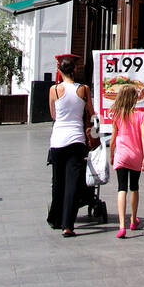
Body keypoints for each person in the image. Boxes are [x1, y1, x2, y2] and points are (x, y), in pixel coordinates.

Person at [47, 55, 95, 238]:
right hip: (76, 140)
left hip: (58, 140)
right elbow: (90, 112)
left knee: (58, 182)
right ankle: (68, 225)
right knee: (73, 183)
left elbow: (53, 115)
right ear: (74, 70)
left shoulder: (54, 90)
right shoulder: (84, 89)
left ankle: (56, 218)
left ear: (60, 71)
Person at [109, 83, 144, 239]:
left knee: (121, 188)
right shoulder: (141, 116)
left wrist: (112, 154)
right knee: (134, 187)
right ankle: (133, 219)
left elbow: (112, 139)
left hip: (122, 155)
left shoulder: (117, 116)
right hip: (136, 155)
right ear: (134, 99)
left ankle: (121, 226)